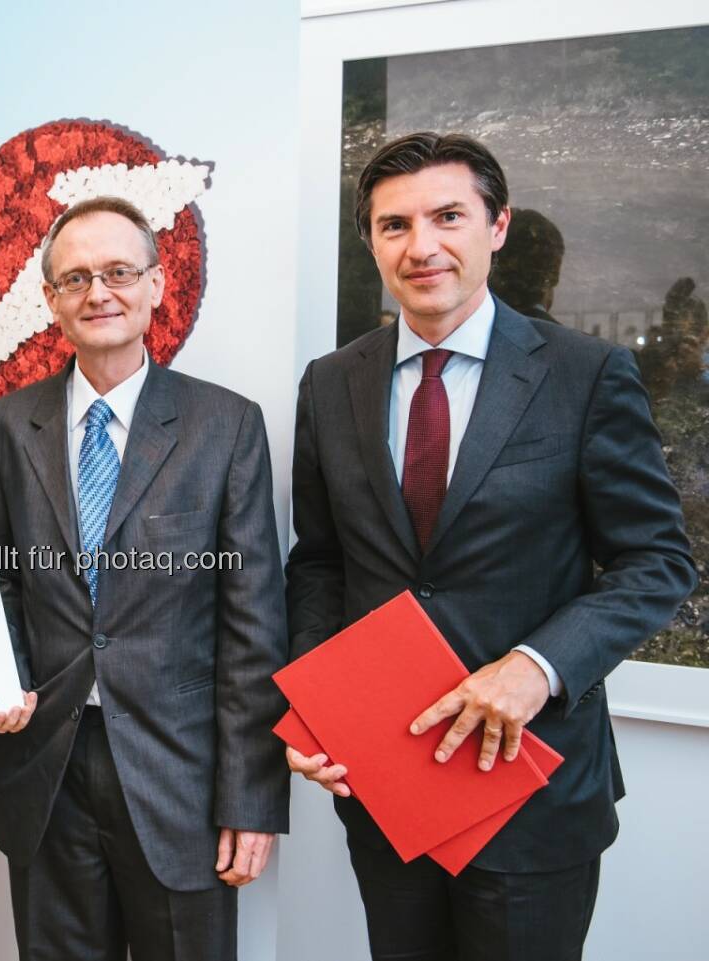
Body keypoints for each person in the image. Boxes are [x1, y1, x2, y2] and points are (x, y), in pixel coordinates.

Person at [285, 132, 697, 961]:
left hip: (533, 794)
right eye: (394, 224)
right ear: (370, 240)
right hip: (387, 785)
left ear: (497, 226)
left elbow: (657, 562)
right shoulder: (332, 382)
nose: (421, 245)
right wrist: (317, 708)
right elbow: (322, 560)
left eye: (448, 217)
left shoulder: (586, 375)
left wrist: (535, 666)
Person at [0, 196, 289, 961]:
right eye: (76, 277)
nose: (98, 292)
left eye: (119, 271)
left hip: (178, 775)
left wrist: (252, 799)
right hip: (46, 766)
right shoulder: (8, 427)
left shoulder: (227, 425)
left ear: (156, 285)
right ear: (50, 301)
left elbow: (253, 626)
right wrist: (4, 679)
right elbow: (5, 583)